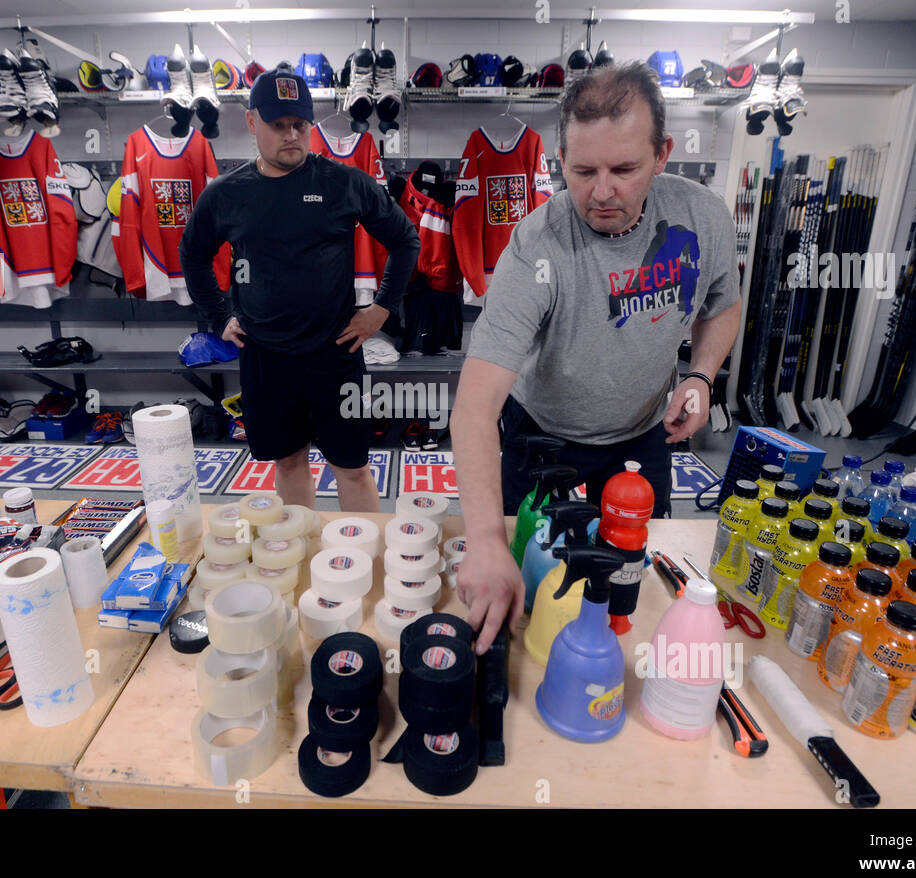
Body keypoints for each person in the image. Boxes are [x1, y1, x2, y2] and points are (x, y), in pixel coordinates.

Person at [451, 61, 741, 651]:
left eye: (624, 169)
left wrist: (703, 378)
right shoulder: (537, 244)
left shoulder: (702, 217)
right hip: (543, 442)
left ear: (662, 154)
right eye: (582, 171)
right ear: (559, 160)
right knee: (532, 601)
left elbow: (722, 303)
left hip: (642, 438)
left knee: (631, 604)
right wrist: (482, 540)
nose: (601, 191)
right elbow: (475, 408)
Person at [180, 71, 419, 512]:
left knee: (352, 467)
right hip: (265, 360)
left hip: (334, 357)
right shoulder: (226, 194)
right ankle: (303, 549)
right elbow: (193, 255)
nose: (291, 135)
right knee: (289, 463)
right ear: (252, 123)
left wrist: (382, 309)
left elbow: (406, 240)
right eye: (278, 125)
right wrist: (218, 317)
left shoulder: (344, 183)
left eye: (300, 124)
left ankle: (360, 555)